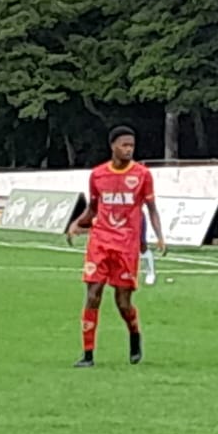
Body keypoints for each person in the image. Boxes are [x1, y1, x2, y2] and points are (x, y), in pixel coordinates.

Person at [66, 126, 165, 367]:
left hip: (126, 245)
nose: (129, 149)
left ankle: (134, 334)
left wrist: (159, 236)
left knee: (122, 302)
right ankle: (88, 355)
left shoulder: (142, 175)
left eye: (131, 145)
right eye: (124, 145)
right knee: (92, 295)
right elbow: (93, 207)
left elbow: (151, 209)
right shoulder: (98, 175)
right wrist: (77, 223)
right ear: (113, 146)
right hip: (100, 241)